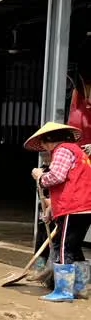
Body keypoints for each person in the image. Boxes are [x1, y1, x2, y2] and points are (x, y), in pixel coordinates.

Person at [26, 121, 91, 302]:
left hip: (74, 206)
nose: (46, 149)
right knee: (74, 247)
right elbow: (69, 183)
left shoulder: (63, 150)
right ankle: (81, 287)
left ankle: (63, 291)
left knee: (63, 248)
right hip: (83, 206)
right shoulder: (77, 152)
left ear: (50, 141)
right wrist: (51, 210)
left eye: (45, 144)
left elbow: (56, 177)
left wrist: (40, 177)